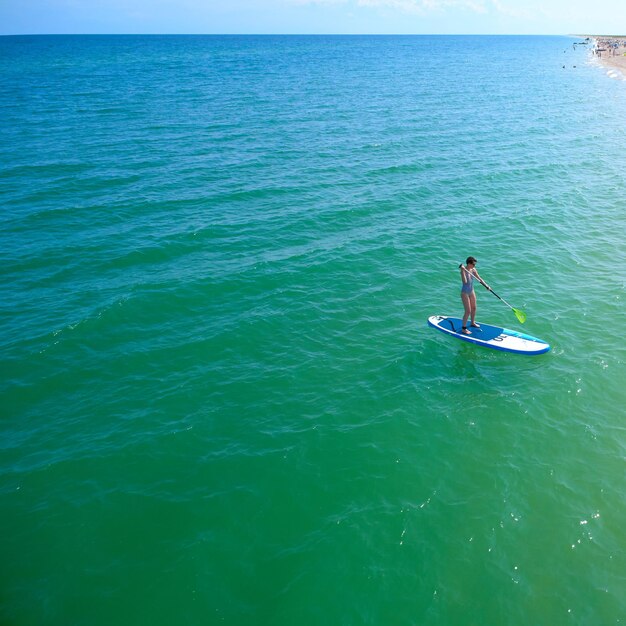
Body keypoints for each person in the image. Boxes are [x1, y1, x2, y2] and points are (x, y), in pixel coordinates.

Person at [459, 256, 489, 335]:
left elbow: (479, 278)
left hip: (471, 291)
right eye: (473, 264)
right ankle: (464, 328)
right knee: (468, 311)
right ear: (469, 264)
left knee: (474, 308)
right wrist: (462, 271)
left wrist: (486, 286)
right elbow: (465, 282)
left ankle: (472, 322)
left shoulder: (473, 270)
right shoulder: (464, 271)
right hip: (464, 293)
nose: (474, 266)